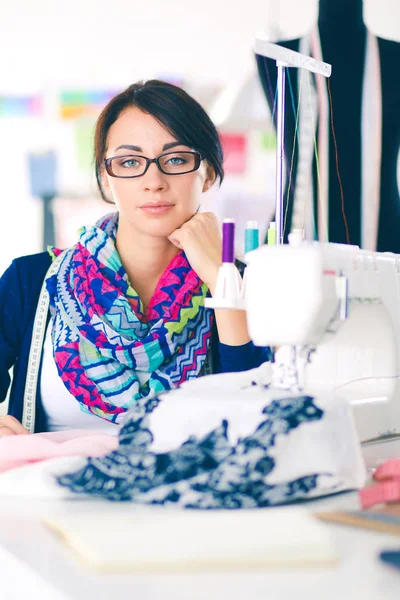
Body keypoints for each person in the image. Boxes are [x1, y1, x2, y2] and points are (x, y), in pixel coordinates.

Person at [0, 80, 270, 437]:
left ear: (207, 174)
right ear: (106, 178)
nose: (153, 181)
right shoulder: (31, 279)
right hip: (52, 490)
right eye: (129, 162)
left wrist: (221, 278)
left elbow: (255, 420)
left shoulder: (244, 283)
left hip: (184, 491)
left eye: (176, 159)